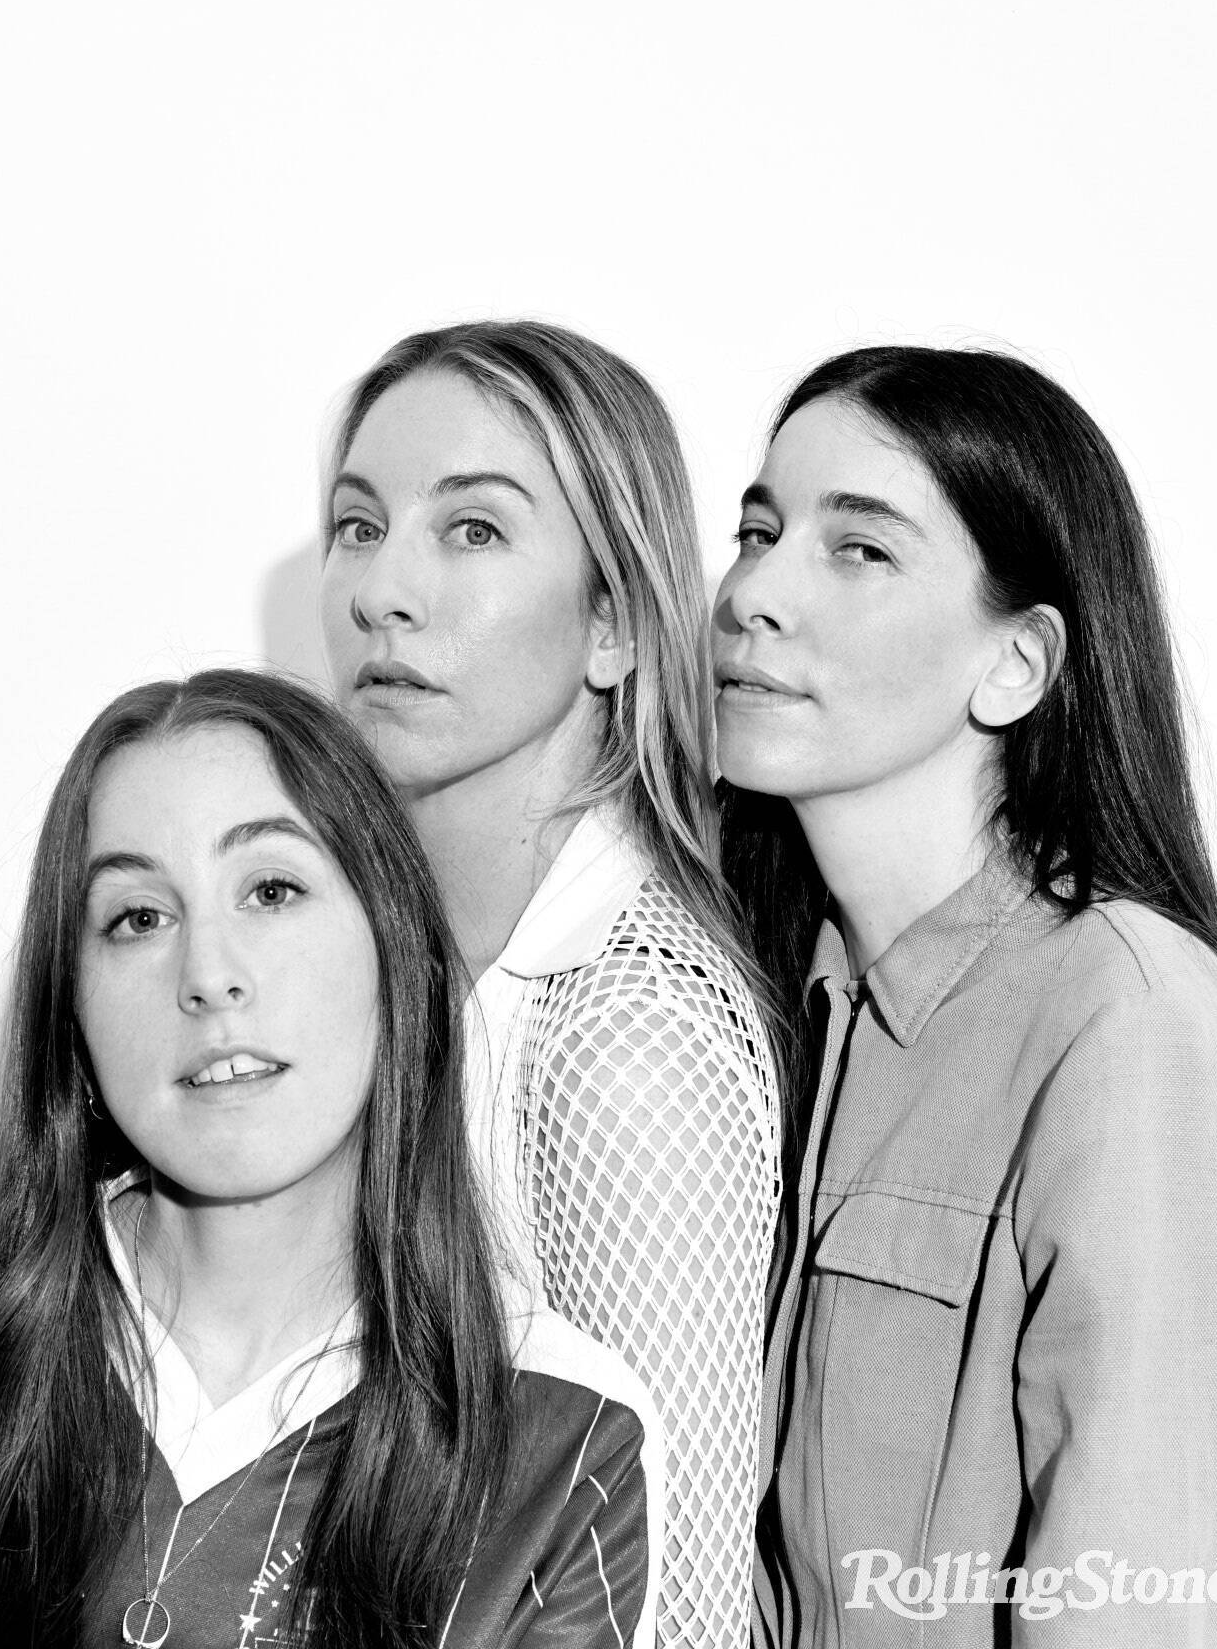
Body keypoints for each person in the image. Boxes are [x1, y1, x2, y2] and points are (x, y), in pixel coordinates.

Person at [0, 670, 662, 1649]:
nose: (209, 976)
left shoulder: (565, 1437)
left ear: (397, 954)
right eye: (138, 917)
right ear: (71, 1008)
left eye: (271, 891)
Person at [713, 346, 1217, 1647]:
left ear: (1015, 664)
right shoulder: (770, 1008)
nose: (751, 595)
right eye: (757, 532)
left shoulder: (1128, 1021)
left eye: (859, 549)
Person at [319, 318, 782, 1646]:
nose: (382, 590)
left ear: (613, 625)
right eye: (358, 525)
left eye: (471, 530)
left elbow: (678, 1608)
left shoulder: (625, 1033)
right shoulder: (385, 970)